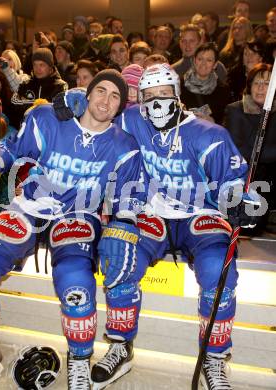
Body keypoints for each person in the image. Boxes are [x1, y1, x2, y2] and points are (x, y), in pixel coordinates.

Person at [54, 63, 261, 390]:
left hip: (198, 215)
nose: (156, 103)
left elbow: (234, 183)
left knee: (217, 269)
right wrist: (76, 98)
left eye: (164, 95)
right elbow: (99, 110)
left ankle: (214, 357)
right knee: (118, 252)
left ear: (177, 96)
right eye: (148, 96)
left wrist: (244, 202)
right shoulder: (134, 119)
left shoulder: (209, 135)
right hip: (152, 213)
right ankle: (122, 345)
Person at [0, 69, 146, 390]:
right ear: (87, 94)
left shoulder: (123, 144)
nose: (106, 100)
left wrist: (123, 225)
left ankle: (78, 361)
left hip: (77, 214)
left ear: (120, 107)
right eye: (101, 91)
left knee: (76, 283)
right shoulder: (47, 118)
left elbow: (131, 193)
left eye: (116, 96)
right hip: (31, 205)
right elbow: (11, 146)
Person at [224, 63, 276, 234]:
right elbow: (238, 150)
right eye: (256, 83)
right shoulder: (236, 110)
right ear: (249, 86)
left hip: (268, 181)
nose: (261, 88)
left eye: (267, 83)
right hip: (241, 180)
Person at [180, 42, 231, 124]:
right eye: (200, 59)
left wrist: (213, 121)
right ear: (194, 61)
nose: (203, 63)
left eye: (209, 60)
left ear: (215, 65)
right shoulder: (180, 86)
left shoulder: (222, 90)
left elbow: (226, 120)